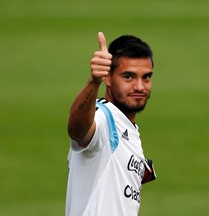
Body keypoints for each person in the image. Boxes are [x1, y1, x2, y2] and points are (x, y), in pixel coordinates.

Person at [66, 32, 156, 216]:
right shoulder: (105, 118)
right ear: (107, 77)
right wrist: (93, 82)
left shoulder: (127, 126)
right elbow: (78, 131)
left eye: (146, 77)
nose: (140, 86)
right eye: (129, 77)